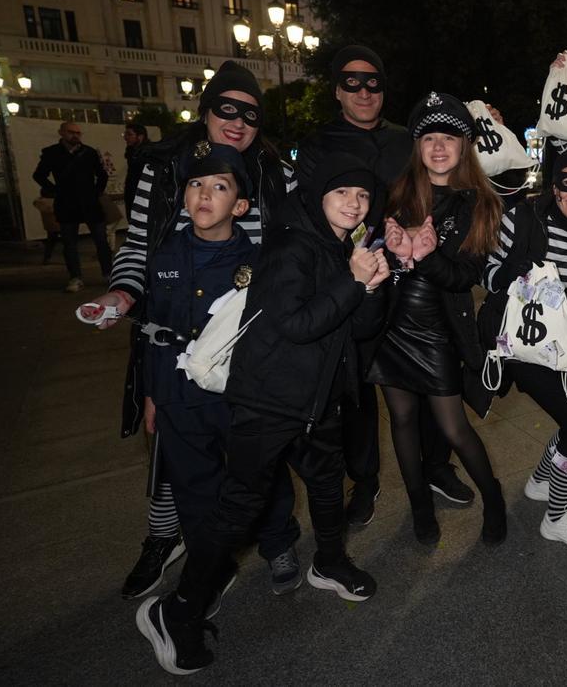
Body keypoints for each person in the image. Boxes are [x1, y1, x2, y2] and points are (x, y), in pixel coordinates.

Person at [136, 153, 391, 675]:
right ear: (318, 197)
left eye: (362, 196)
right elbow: (296, 324)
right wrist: (352, 282)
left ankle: (330, 561)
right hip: (269, 400)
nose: (353, 203)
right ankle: (176, 610)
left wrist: (373, 284)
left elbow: (360, 329)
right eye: (342, 192)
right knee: (239, 508)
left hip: (319, 401)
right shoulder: (289, 245)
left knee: (325, 483)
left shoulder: (345, 249)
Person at [89, 61, 301, 601]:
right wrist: (122, 294)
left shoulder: (278, 171)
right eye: (225, 108)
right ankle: (176, 542)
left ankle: (276, 541)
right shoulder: (161, 166)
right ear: (204, 111)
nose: (237, 120)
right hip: (175, 334)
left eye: (250, 113)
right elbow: (137, 247)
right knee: (177, 458)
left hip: (247, 347)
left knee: (259, 457)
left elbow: (296, 247)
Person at [297, 45, 472, 522]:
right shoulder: (317, 145)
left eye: (373, 81)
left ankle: (436, 466)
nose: (364, 90)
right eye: (351, 82)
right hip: (353, 281)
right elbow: (309, 215)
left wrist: (485, 123)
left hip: (418, 283)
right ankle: (366, 480)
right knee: (356, 387)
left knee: (436, 383)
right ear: (336, 90)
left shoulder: (407, 138)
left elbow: (462, 167)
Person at [135, 145, 294, 608]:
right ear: (184, 197)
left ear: (240, 206)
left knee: (260, 474)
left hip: (238, 394)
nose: (205, 194)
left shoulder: (259, 263)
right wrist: (151, 395)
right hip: (177, 395)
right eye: (195, 185)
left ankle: (278, 542)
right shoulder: (163, 255)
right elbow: (152, 332)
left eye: (219, 187)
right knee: (192, 483)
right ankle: (212, 562)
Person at [367, 92, 507, 545]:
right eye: (429, 137)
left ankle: (495, 498)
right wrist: (387, 250)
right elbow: (370, 250)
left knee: (453, 427)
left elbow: (462, 276)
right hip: (391, 327)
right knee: (402, 421)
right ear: (417, 145)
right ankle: (420, 506)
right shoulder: (397, 191)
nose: (439, 146)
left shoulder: (478, 203)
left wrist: (424, 256)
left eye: (450, 137)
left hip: (438, 330)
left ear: (465, 146)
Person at [479, 147, 567, 551]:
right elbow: (484, 268)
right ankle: (557, 517)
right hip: (522, 345)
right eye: (566, 183)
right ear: (554, 185)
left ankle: (541, 482)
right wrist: (510, 277)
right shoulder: (522, 218)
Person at [32, 121, 112, 292]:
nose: (75, 135)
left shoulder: (89, 152)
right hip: (67, 203)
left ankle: (108, 274)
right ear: (61, 132)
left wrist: (96, 192)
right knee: (69, 243)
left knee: (101, 240)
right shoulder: (52, 153)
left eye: (78, 133)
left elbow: (102, 175)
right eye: (71, 132)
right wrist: (55, 191)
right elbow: (39, 175)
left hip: (89, 202)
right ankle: (75, 277)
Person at [124, 122, 150, 206]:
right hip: (132, 193)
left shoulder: (148, 153)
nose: (125, 137)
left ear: (140, 136)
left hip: (144, 195)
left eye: (129, 134)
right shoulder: (131, 152)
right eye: (125, 134)